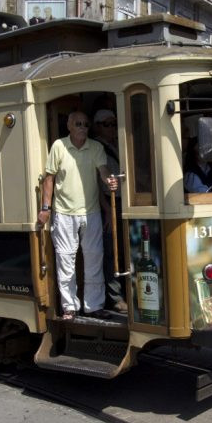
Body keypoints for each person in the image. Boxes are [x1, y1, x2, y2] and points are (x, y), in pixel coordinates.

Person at [37, 111, 118, 321]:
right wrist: (45, 209)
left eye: (86, 124)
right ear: (69, 126)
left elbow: (103, 171)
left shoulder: (96, 147)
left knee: (94, 258)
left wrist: (110, 181)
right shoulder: (59, 146)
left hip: (90, 213)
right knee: (66, 260)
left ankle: (94, 306)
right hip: (63, 213)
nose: (83, 127)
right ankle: (70, 307)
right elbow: (49, 179)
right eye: (78, 124)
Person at [92, 109, 128, 313]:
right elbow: (95, 182)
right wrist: (106, 209)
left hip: (122, 201)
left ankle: (123, 292)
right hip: (109, 202)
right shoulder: (98, 148)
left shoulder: (115, 145)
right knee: (111, 252)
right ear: (98, 126)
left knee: (121, 251)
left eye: (114, 123)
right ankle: (113, 297)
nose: (112, 127)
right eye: (107, 124)